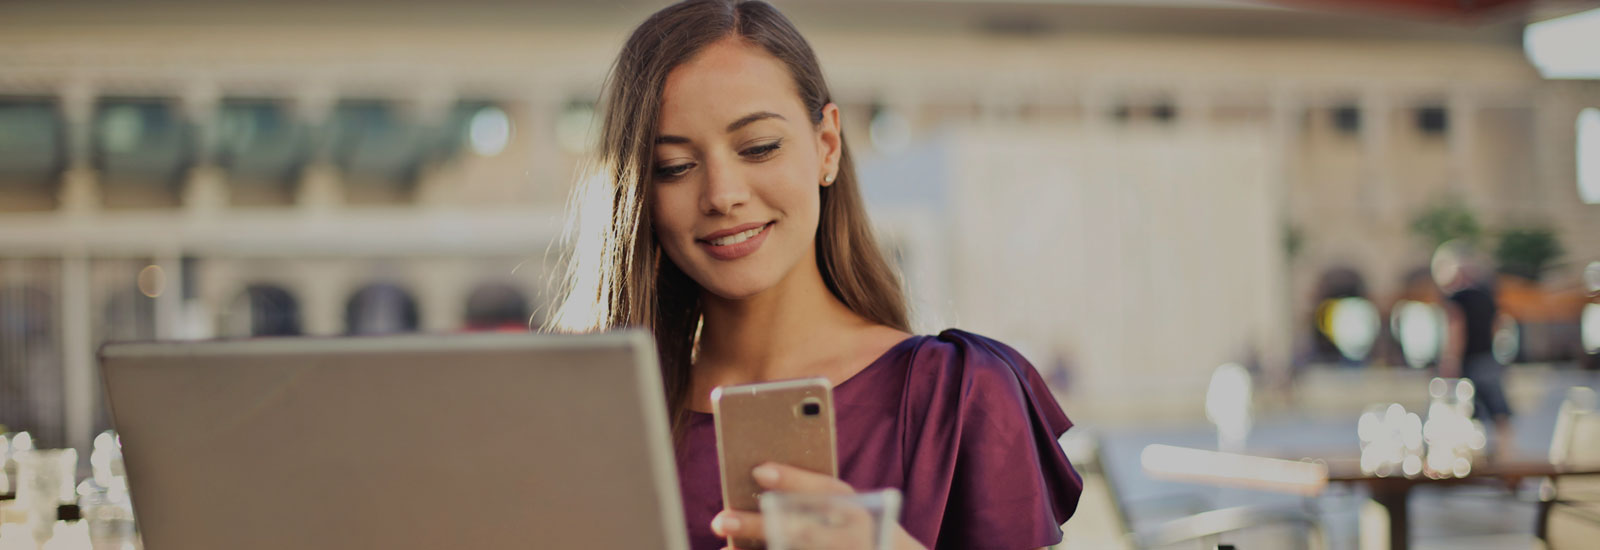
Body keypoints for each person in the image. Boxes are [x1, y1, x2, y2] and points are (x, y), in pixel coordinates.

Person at [545, 1, 1082, 548]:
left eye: (758, 148)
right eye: (675, 167)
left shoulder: (962, 394)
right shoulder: (596, 421)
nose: (723, 195)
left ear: (827, 145)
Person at [1436, 243, 1514, 460]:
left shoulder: (1456, 299)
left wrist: (1449, 360)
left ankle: (1467, 457)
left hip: (1468, 361)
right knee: (1499, 411)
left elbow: (1456, 330)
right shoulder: (1487, 296)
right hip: (1488, 358)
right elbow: (1498, 325)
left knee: (1463, 410)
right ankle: (1506, 456)